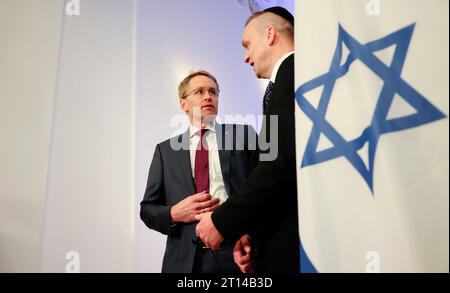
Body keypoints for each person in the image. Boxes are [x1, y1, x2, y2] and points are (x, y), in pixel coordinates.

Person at [195, 7, 299, 273]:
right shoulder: (285, 82)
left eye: (247, 45)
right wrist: (251, 235)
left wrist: (221, 222)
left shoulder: (293, 76)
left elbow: (277, 166)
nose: (245, 57)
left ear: (270, 34)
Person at [140, 70, 259, 273]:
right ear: (183, 104)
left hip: (236, 253)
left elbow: (261, 192)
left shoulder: (243, 135)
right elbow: (147, 210)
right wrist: (174, 213)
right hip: (185, 262)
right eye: (199, 91)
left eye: (213, 91)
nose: (208, 96)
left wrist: (253, 236)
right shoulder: (165, 151)